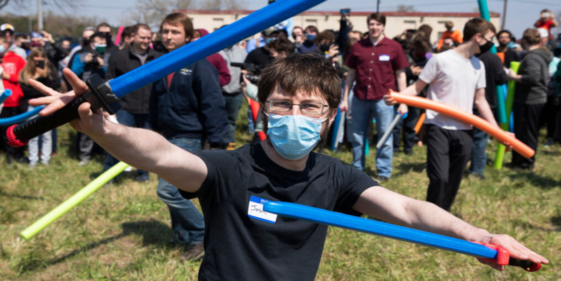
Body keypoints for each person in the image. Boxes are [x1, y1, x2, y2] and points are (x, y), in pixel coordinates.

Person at [28, 53, 548, 280]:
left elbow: (408, 209)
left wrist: (478, 233)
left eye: (309, 108)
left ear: (329, 118)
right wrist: (104, 129)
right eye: (283, 104)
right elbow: (161, 154)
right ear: (262, 107)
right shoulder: (230, 168)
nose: (294, 116)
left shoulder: (336, 175)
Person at [385, 18, 501, 211]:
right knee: (439, 177)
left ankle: (443, 217)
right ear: (478, 37)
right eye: (490, 38)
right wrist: (397, 97)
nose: (492, 43)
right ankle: (429, 218)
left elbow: (481, 101)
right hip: (438, 125)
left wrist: (497, 131)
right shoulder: (440, 60)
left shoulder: (478, 65)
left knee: (453, 181)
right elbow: (416, 88)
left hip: (465, 129)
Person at [148, 13, 228, 261]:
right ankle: (183, 238)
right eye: (165, 31)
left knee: (169, 192)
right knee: (180, 191)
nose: (168, 36)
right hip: (166, 136)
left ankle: (202, 235)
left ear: (189, 37)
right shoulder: (161, 64)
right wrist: (152, 130)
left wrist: (217, 143)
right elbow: (155, 102)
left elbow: (213, 105)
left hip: (189, 137)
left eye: (175, 32)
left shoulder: (200, 66)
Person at [340, 13, 409, 182]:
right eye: (371, 24)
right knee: (357, 135)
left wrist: (404, 101)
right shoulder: (358, 46)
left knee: (385, 135)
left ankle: (384, 172)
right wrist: (344, 98)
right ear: (368, 25)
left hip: (384, 99)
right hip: (359, 98)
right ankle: (357, 169)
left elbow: (401, 75)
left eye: (378, 24)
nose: (374, 27)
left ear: (383, 26)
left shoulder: (394, 47)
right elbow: (351, 75)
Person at [103, 23, 161, 180]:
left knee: (147, 145)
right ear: (133, 36)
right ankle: (110, 175)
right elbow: (109, 81)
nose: (146, 40)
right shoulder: (119, 56)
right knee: (117, 142)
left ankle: (143, 175)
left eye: (149, 38)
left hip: (149, 108)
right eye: (142, 37)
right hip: (125, 108)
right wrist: (110, 107)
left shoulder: (157, 57)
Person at [506, 28, 553, 170]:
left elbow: (533, 78)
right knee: (525, 131)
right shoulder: (540, 54)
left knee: (526, 132)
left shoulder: (532, 57)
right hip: (533, 98)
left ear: (525, 40)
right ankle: (520, 160)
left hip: (530, 99)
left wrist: (514, 77)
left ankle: (525, 163)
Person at [71, 32, 112, 166]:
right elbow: (73, 74)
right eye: (98, 43)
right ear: (91, 44)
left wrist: (102, 67)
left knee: (105, 126)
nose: (101, 45)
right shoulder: (80, 56)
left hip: (103, 95)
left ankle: (102, 152)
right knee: (85, 126)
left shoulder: (108, 57)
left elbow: (111, 75)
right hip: (85, 96)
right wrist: (84, 63)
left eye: (103, 43)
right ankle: (84, 155)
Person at [467, 43, 508, 179]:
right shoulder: (493, 59)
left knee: (466, 137)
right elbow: (501, 79)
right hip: (485, 103)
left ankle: (465, 167)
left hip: (466, 103)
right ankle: (476, 171)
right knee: (479, 139)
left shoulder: (467, 57)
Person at [19, 48, 60, 168]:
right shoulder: (26, 71)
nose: (39, 59)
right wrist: (38, 82)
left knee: (47, 134)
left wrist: (44, 76)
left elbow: (54, 88)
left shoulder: (49, 70)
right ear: (32, 58)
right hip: (31, 106)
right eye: (36, 56)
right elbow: (25, 90)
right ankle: (33, 160)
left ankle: (45, 160)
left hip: (47, 105)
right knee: (32, 135)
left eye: (42, 56)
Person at [392, 36, 431, 155]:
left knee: (411, 124)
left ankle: (408, 148)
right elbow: (398, 73)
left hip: (417, 97)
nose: (422, 54)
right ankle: (395, 148)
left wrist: (422, 73)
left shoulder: (427, 59)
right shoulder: (405, 57)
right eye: (421, 51)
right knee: (397, 124)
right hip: (402, 93)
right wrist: (411, 72)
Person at [0, 33, 26, 164]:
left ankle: (17, 154)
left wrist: (7, 76)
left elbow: (24, 77)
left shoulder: (17, 59)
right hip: (1, 104)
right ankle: (6, 154)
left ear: (5, 45)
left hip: (13, 101)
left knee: (14, 130)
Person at [219, 35, 247, 149]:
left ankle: (230, 142)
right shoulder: (217, 52)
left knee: (232, 119)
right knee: (219, 118)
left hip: (237, 92)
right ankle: (219, 142)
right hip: (220, 92)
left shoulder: (242, 52)